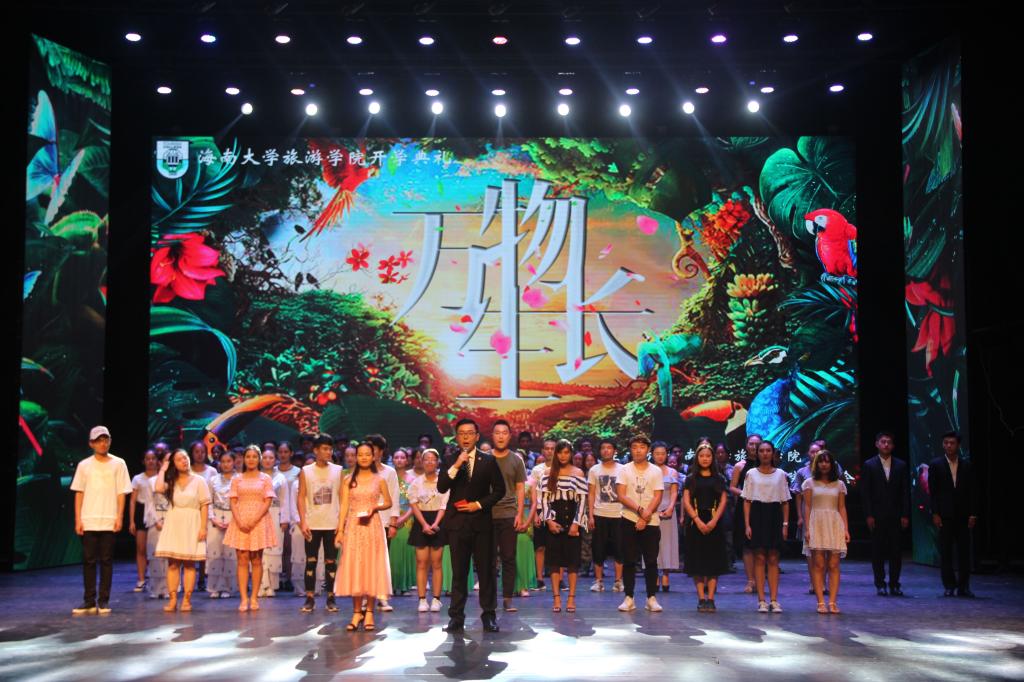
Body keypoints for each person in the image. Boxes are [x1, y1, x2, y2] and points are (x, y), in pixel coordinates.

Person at [437, 418, 506, 633]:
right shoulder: (450, 460)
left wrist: (478, 504)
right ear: (456, 437)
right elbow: (441, 487)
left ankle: (489, 615)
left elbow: (500, 490)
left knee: (486, 572)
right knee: (459, 573)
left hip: (482, 523)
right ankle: (456, 617)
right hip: (457, 524)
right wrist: (457, 464)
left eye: (469, 433)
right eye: (461, 433)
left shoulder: (488, 460)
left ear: (477, 436)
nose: (466, 437)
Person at [70, 426, 132, 615]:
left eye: (106, 439)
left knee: (106, 560)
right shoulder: (84, 465)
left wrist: (119, 516)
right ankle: (89, 601)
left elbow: (122, 492)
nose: (103, 443)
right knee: (89, 561)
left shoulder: (118, 463)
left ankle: (103, 601)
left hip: (109, 519)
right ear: (91, 443)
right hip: (89, 518)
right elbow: (79, 493)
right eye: (99, 440)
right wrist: (78, 519)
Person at [334, 442, 394, 631]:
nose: (364, 457)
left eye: (368, 454)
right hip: (354, 526)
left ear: (373, 456)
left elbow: (388, 502)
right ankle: (356, 612)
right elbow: (344, 506)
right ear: (356, 457)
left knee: (371, 567)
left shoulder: (379, 479)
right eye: (360, 454)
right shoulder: (348, 480)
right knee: (355, 567)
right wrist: (340, 530)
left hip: (372, 526)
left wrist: (375, 507)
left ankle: (369, 612)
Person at [154, 448, 211, 612]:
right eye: (179, 459)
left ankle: (186, 599)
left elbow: (204, 505)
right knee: (173, 564)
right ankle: (172, 599)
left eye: (185, 457)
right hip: (174, 522)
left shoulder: (199, 481)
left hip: (192, 522)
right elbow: (158, 488)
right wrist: (163, 469)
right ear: (174, 464)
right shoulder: (171, 481)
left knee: (189, 563)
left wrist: (203, 527)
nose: (184, 461)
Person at [615, 434, 665, 613]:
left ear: (648, 450)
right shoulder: (624, 469)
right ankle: (629, 597)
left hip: (651, 521)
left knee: (651, 560)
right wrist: (639, 510)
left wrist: (645, 516)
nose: (638, 450)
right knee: (629, 560)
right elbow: (621, 494)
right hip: (629, 519)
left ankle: (651, 597)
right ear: (630, 449)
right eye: (634, 447)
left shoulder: (655, 471)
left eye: (642, 447)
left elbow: (658, 495)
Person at [223, 445, 276, 611]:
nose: (251, 459)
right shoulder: (237, 479)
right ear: (243, 459)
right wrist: (239, 521)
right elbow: (233, 501)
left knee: (256, 559)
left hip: (259, 521)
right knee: (242, 559)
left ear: (258, 459)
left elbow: (268, 501)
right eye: (248, 456)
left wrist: (254, 520)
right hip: (240, 520)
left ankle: (254, 597)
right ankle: (243, 598)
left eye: (254, 456)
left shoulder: (265, 478)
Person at [540, 440, 589, 613]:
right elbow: (544, 500)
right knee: (554, 563)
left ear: (571, 454)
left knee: (572, 563)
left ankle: (571, 598)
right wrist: (549, 521)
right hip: (554, 519)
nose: (563, 456)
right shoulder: (548, 472)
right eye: (560, 452)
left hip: (572, 519)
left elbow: (582, 501)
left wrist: (576, 523)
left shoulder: (578, 473)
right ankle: (556, 598)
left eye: (566, 452)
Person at [742, 439, 790, 613]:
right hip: (758, 514)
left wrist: (785, 524)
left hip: (774, 515)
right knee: (760, 557)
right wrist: (747, 524)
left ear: (773, 453)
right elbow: (747, 501)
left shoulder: (781, 474)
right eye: (761, 451)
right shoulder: (751, 473)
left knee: (774, 558)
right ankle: (762, 600)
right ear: (757, 453)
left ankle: (774, 600)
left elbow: (785, 501)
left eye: (768, 450)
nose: (764, 454)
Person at [860, 431, 911, 596]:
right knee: (878, 552)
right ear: (877, 444)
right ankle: (880, 584)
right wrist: (869, 515)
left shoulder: (901, 465)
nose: (886, 444)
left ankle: (895, 584)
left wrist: (905, 514)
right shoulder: (869, 465)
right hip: (877, 515)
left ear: (893, 445)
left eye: (889, 442)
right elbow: (866, 493)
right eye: (883, 441)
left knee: (896, 552)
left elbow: (905, 492)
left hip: (896, 515)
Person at [929, 431, 979, 597]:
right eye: (946, 443)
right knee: (946, 552)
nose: (949, 446)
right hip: (945, 514)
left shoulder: (967, 465)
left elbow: (972, 491)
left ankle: (964, 586)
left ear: (958, 445)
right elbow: (933, 492)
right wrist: (935, 513)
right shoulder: (936, 464)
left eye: (952, 443)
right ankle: (949, 585)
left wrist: (973, 514)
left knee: (964, 552)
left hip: (963, 514)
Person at [297, 434, 343, 613]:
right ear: (315, 450)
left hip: (332, 523)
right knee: (311, 561)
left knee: (331, 562)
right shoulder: (306, 471)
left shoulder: (338, 470)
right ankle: (309, 597)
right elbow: (301, 497)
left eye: (330, 449)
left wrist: (342, 522)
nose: (328, 452)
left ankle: (331, 597)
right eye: (324, 449)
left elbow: (342, 497)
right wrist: (303, 521)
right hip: (312, 522)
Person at [682, 443, 729, 612]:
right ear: (697, 458)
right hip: (696, 522)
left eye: (708, 456)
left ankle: (711, 599)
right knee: (697, 562)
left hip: (714, 521)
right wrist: (697, 520)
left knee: (713, 562)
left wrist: (714, 521)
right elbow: (686, 501)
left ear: (713, 458)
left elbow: (723, 500)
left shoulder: (719, 478)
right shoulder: (691, 478)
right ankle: (701, 598)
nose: (705, 459)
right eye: (702, 456)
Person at [802, 450, 849, 613]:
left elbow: (842, 507)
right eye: (821, 461)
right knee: (819, 564)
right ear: (816, 464)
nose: (824, 464)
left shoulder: (839, 484)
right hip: (817, 523)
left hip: (834, 523)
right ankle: (821, 602)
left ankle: (833, 602)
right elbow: (807, 506)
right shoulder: (809, 483)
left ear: (832, 464)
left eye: (827, 461)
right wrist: (807, 528)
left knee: (834, 564)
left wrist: (846, 529)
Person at [489, 420, 527, 612]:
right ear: (492, 436)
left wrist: (519, 513)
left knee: (508, 557)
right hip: (487, 515)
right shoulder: (484, 458)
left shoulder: (516, 460)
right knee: (487, 559)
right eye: (497, 432)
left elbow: (520, 488)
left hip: (509, 514)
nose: (501, 436)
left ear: (510, 436)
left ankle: (507, 598)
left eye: (504, 433)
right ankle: (488, 598)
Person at [408, 449, 450, 612]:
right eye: (426, 459)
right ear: (422, 461)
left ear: (438, 462)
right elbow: (413, 505)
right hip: (421, 521)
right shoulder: (416, 483)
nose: (429, 462)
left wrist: (436, 523)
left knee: (437, 562)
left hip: (438, 520)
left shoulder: (443, 482)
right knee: (421, 562)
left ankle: (436, 599)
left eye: (433, 459)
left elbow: (444, 505)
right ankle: (422, 600)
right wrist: (424, 524)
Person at [366, 433, 401, 612]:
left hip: (384, 522)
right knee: (364, 561)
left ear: (381, 452)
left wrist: (393, 523)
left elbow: (394, 497)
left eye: (374, 450)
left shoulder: (389, 472)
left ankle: (381, 597)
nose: (371, 453)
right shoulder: (360, 472)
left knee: (381, 561)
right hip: (364, 523)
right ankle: (365, 597)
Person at [588, 438, 624, 593]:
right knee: (598, 549)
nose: (606, 450)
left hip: (619, 514)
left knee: (619, 549)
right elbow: (591, 493)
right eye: (603, 448)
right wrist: (590, 515)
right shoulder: (594, 470)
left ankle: (618, 581)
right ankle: (598, 581)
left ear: (615, 451)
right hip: (599, 514)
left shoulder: (623, 469)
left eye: (609, 448)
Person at [792, 440, 826, 593]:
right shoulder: (802, 472)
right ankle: (814, 582)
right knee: (811, 550)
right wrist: (800, 517)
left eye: (818, 452)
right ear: (808, 453)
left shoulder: (831, 470)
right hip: (809, 514)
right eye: (812, 452)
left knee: (825, 549)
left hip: (826, 512)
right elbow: (798, 496)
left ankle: (823, 582)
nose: (815, 454)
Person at [730, 434, 762, 593]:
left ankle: (760, 579)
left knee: (761, 546)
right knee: (747, 546)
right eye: (751, 444)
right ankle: (750, 580)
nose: (754, 447)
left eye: (757, 444)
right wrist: (746, 494)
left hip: (763, 507)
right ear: (746, 446)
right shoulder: (740, 466)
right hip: (745, 507)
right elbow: (732, 487)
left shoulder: (767, 465)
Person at [259, 448, 290, 597]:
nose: (267, 460)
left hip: (275, 514)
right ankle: (261, 585)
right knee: (261, 550)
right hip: (259, 515)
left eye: (270, 458)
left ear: (275, 459)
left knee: (273, 550)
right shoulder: (256, 476)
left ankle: (271, 585)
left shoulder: (280, 478)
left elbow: (284, 500)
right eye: (265, 457)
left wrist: (284, 519)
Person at [206, 449, 237, 598]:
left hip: (233, 517)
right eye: (223, 461)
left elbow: (241, 502)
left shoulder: (239, 480)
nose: (226, 464)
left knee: (230, 553)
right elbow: (208, 501)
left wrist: (234, 520)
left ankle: (228, 588)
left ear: (234, 462)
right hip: (216, 517)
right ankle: (214, 587)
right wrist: (213, 518)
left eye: (229, 461)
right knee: (215, 552)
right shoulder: (213, 480)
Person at [388, 448, 418, 596]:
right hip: (390, 519)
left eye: (402, 457)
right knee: (391, 553)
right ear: (392, 460)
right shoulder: (388, 478)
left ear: (407, 460)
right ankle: (391, 585)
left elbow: (415, 504)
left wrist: (404, 518)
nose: (399, 460)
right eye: (396, 457)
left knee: (406, 551)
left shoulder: (413, 480)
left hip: (407, 519)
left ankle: (405, 585)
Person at [129, 449, 159, 592]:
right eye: (148, 458)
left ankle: (157, 578)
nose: (151, 461)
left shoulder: (161, 477)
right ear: (143, 461)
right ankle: (141, 579)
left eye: (153, 458)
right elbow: (132, 501)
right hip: (142, 511)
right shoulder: (137, 478)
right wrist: (131, 521)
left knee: (157, 548)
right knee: (141, 548)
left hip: (158, 511)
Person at [652, 441, 680, 591]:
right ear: (652, 454)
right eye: (657, 453)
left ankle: (666, 574)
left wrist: (670, 508)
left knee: (668, 543)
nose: (660, 456)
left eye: (663, 453)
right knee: (653, 543)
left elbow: (674, 493)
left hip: (668, 511)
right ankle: (655, 574)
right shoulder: (648, 471)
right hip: (651, 511)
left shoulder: (672, 472)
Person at [529, 438, 556, 590]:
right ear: (542, 451)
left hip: (557, 508)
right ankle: (539, 578)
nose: (549, 451)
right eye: (547, 448)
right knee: (540, 546)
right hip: (540, 509)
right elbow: (534, 493)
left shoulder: (564, 468)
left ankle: (558, 579)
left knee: (557, 547)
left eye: (552, 448)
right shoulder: (536, 470)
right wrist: (534, 514)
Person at [275, 441, 300, 593]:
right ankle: (277, 578)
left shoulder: (298, 472)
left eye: (286, 452)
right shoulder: (272, 471)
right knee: (277, 547)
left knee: (289, 547)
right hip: (275, 512)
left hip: (292, 512)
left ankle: (289, 578)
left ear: (291, 453)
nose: (283, 455)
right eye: (280, 452)